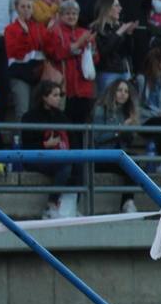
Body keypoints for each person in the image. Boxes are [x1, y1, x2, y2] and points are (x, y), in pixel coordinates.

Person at [20, 81, 79, 219]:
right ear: (44, 97)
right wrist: (45, 145)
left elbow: (73, 139)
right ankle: (51, 205)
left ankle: (72, 207)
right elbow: (27, 145)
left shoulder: (61, 117)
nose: (58, 98)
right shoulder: (30, 117)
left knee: (79, 165)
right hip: (37, 157)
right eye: (55, 95)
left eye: (60, 95)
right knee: (65, 166)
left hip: (59, 156)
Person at [91, 78, 141, 212]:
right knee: (131, 162)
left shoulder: (126, 112)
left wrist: (130, 130)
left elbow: (127, 141)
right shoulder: (101, 109)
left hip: (118, 154)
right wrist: (119, 131)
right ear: (113, 91)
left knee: (136, 161)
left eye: (126, 91)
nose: (123, 94)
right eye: (119, 90)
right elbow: (97, 137)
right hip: (101, 155)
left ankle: (128, 202)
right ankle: (127, 203)